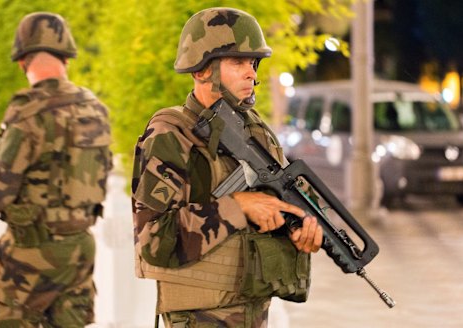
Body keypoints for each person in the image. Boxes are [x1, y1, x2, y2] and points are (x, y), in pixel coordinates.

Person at [132, 7, 323, 327]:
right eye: (238, 62)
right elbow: (153, 241)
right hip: (199, 316)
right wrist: (237, 207)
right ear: (201, 70)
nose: (251, 72)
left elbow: (282, 202)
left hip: (252, 312)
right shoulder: (172, 133)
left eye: (253, 63)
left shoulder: (258, 131)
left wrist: (301, 225)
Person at [0, 12, 112, 327]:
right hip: (80, 247)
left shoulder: (27, 111)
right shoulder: (95, 108)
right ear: (67, 59)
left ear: (22, 62)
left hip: (34, 250)